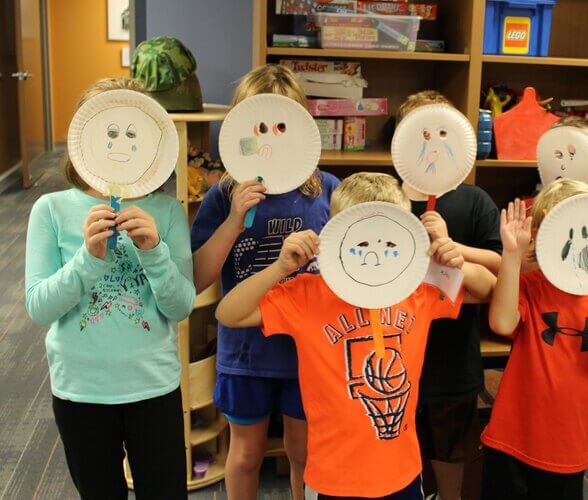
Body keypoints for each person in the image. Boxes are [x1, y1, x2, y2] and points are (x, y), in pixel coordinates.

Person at [215, 172, 497, 499]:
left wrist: (453, 258)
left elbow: (488, 287)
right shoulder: (309, 293)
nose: (373, 253)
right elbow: (228, 313)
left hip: (401, 472)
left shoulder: (416, 288)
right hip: (330, 477)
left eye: (389, 242)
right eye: (361, 242)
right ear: (335, 233)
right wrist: (279, 268)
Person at [24, 77, 194, 499]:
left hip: (153, 385)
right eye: (109, 133)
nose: (120, 144)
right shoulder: (51, 209)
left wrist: (154, 251)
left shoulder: (167, 211)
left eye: (132, 133)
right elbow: (39, 307)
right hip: (80, 388)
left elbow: (181, 306)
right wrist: (87, 259)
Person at [190, 64, 339, 499]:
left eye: (282, 125)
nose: (271, 139)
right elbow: (198, 278)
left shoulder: (325, 189)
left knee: (304, 452)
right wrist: (235, 218)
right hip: (246, 350)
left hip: (307, 352)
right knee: (246, 454)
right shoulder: (222, 195)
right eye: (260, 128)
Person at [482, 179, 588, 500]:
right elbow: (501, 321)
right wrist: (511, 255)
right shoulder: (531, 284)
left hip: (566, 444)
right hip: (512, 434)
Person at [398, 90, 502, 500]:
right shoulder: (390, 196)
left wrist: (454, 247)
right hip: (401, 353)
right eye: (421, 135)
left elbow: (499, 262)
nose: (432, 144)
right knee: (406, 453)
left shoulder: (475, 201)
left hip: (454, 358)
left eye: (442, 134)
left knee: (452, 454)